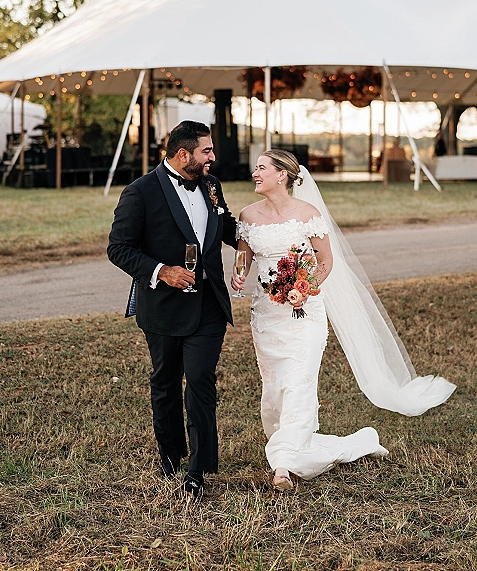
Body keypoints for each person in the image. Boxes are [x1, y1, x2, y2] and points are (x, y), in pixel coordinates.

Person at [232, 149, 455, 491]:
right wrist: (238, 276)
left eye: (261, 168)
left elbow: (325, 261)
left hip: (304, 314)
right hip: (266, 315)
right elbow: (243, 259)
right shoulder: (247, 215)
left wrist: (306, 287)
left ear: (282, 175)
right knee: (275, 387)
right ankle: (324, 443)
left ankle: (283, 464)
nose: (255, 173)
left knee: (299, 383)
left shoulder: (307, 213)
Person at [108, 120, 237, 499]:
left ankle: (198, 468)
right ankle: (170, 454)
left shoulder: (211, 186)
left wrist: (261, 233)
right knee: (165, 382)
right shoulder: (140, 192)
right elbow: (118, 249)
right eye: (206, 151)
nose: (213, 156)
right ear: (184, 155)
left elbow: (226, 227)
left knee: (200, 379)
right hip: (163, 306)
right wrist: (162, 272)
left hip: (209, 301)